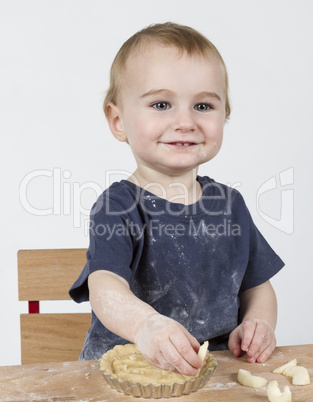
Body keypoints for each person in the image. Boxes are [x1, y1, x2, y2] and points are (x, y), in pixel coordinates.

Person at [69, 22, 284, 376]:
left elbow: (257, 287)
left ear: (224, 115)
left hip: (209, 374)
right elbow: (105, 289)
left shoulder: (231, 206)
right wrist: (145, 326)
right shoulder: (118, 207)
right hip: (126, 373)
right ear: (118, 120)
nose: (185, 121)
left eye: (203, 105)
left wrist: (259, 322)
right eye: (162, 104)